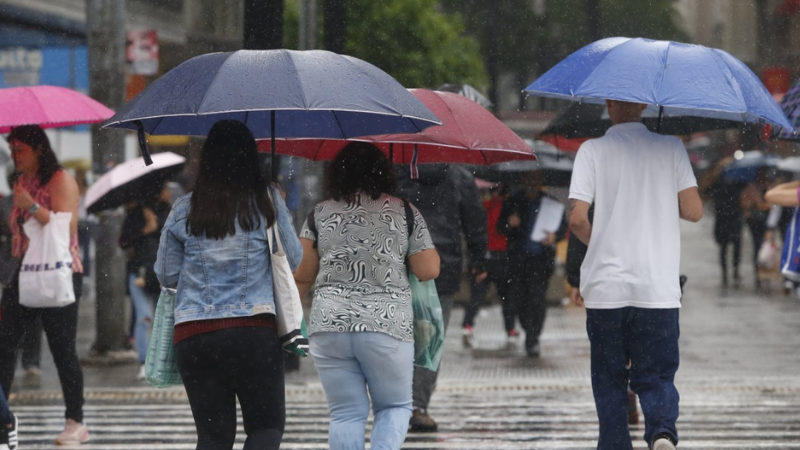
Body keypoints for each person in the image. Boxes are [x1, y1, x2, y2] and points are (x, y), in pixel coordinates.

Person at [155, 120, 302, 450]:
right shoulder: (266, 201)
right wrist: (277, 207)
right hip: (253, 332)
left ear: (206, 160)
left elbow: (165, 274)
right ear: (251, 158)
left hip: (195, 335)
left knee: (213, 437)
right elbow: (292, 260)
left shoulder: (182, 209)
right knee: (265, 429)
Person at [569, 99, 703, 450]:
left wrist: (601, 239)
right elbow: (693, 211)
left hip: (606, 289)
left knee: (610, 378)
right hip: (656, 287)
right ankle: (661, 431)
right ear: (644, 104)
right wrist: (655, 196)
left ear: (608, 104)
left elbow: (577, 219)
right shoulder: (672, 147)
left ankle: (614, 444)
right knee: (656, 375)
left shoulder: (591, 150)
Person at [293, 142, 440, 450]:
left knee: (345, 414)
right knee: (395, 407)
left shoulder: (319, 213)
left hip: (329, 324)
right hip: (386, 326)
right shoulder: (404, 211)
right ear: (384, 172)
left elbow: (302, 275)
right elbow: (427, 270)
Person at [0, 125, 89, 445]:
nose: (14, 156)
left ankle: (75, 420)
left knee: (62, 348)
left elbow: (66, 227)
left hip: (59, 272)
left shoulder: (60, 179)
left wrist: (32, 206)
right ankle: (2, 414)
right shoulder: (22, 181)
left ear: (39, 149)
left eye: (20, 149)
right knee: (4, 343)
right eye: (11, 150)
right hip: (23, 273)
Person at [395, 163, 487, 432]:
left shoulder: (395, 171)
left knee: (395, 336)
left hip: (398, 263)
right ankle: (418, 406)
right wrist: (479, 259)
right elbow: (474, 219)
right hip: (441, 267)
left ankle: (394, 402)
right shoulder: (459, 175)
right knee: (429, 340)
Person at [497, 170, 567, 358]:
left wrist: (555, 236)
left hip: (540, 261)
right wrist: (510, 223)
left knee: (537, 299)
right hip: (518, 261)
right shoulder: (513, 201)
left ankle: (533, 336)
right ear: (522, 179)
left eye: (535, 178)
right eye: (528, 178)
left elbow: (562, 227)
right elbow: (500, 227)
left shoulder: (552, 203)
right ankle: (528, 328)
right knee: (518, 299)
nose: (532, 182)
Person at [119, 183, 171, 380]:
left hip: (161, 273)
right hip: (139, 272)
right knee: (144, 317)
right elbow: (123, 241)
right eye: (164, 188)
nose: (168, 191)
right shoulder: (135, 214)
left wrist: (158, 227)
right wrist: (145, 229)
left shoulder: (169, 212)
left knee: (163, 318)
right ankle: (144, 361)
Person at [461, 183, 516, 348]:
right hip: (498, 256)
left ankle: (468, 325)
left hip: (487, 255)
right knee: (504, 297)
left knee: (479, 295)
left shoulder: (483, 207)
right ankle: (510, 329)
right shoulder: (504, 207)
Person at [699, 157, 743, 288]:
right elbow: (704, 191)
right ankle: (725, 273)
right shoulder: (716, 182)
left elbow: (745, 192)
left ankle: (735, 271)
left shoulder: (738, 181)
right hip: (722, 219)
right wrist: (715, 173)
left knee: (736, 246)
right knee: (723, 247)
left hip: (735, 217)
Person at [740, 167, 773, 290]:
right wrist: (755, 203)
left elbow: (773, 205)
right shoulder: (750, 188)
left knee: (768, 248)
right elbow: (744, 204)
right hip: (754, 222)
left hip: (767, 221)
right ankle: (758, 274)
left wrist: (764, 206)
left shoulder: (770, 188)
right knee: (757, 246)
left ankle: (767, 274)